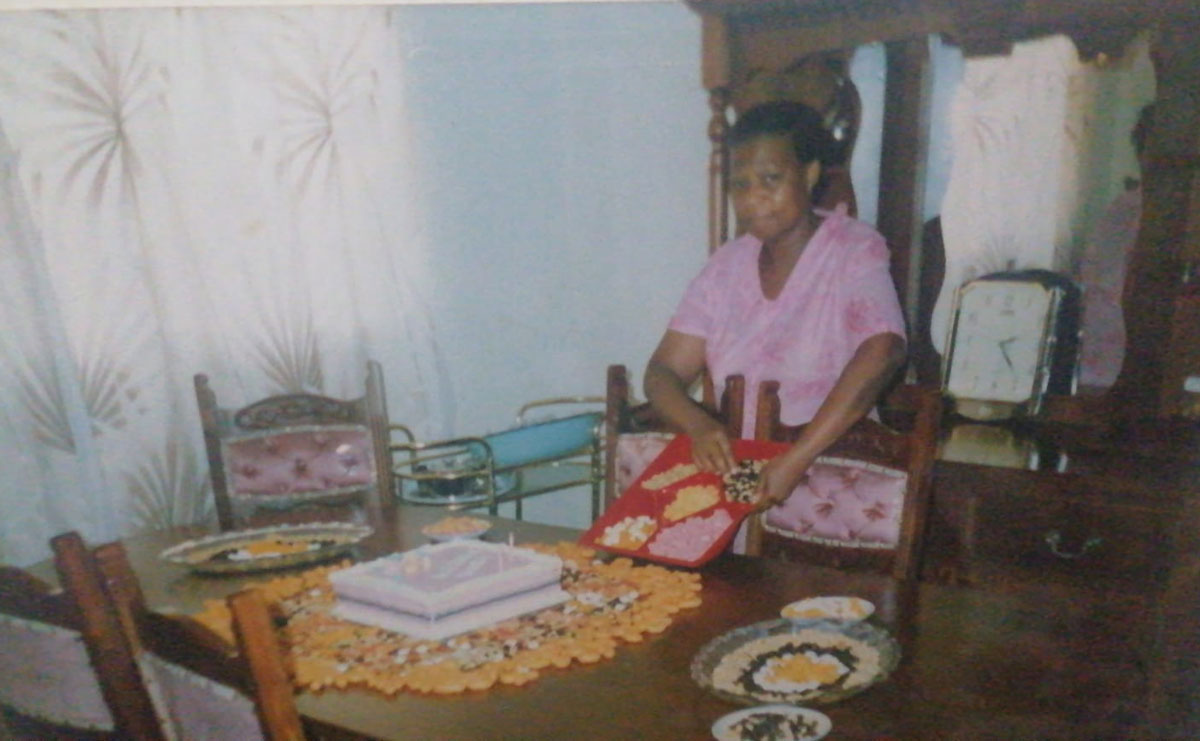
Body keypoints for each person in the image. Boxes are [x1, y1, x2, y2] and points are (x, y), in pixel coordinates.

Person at [643, 101, 906, 512]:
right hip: (742, 482)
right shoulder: (725, 266)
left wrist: (796, 458)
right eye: (741, 185)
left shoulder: (852, 250)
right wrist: (698, 425)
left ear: (810, 173)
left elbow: (883, 349)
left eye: (771, 178)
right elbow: (662, 373)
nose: (754, 198)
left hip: (833, 481)